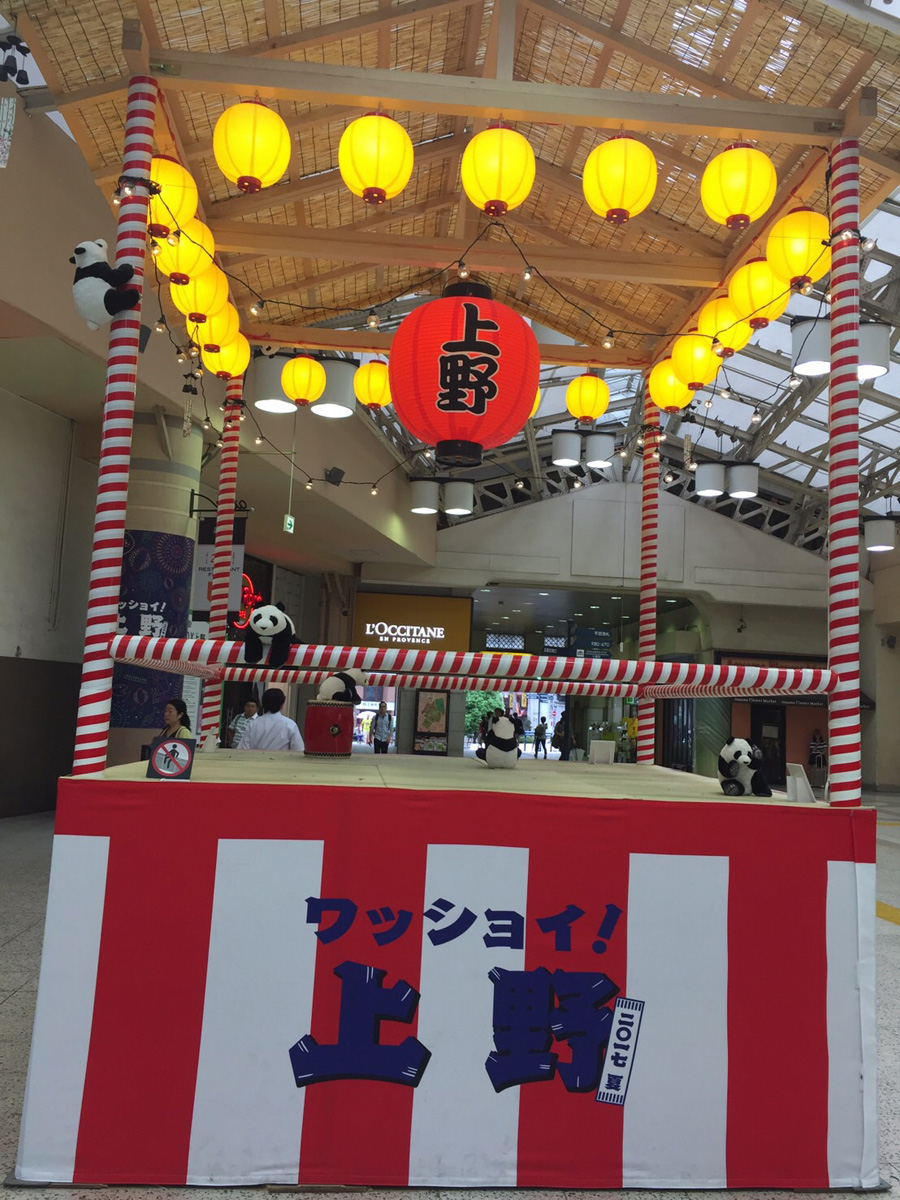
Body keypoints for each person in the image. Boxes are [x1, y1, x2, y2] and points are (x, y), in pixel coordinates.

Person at [237, 688, 304, 752]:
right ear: (281, 705)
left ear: (263, 704)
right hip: (281, 760)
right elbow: (299, 751)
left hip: (255, 759)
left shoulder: (253, 724)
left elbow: (243, 750)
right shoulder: (290, 725)